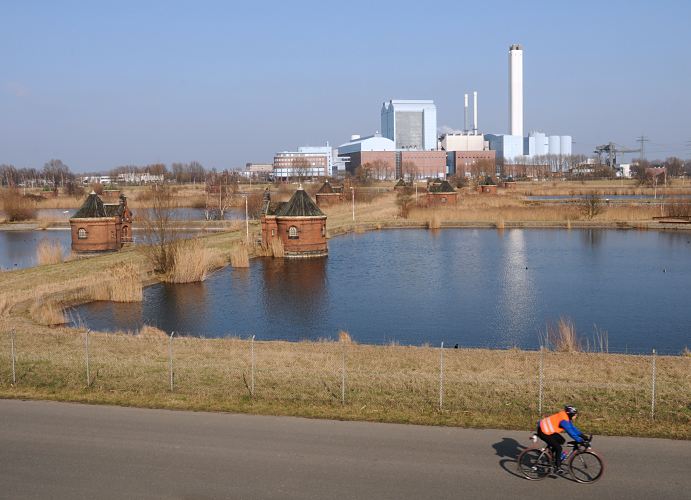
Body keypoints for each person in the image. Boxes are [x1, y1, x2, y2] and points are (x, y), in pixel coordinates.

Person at [536, 405, 586, 472]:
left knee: (562, 440)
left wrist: (583, 436)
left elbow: (573, 428)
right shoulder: (564, 420)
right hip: (543, 431)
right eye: (575, 414)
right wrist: (580, 440)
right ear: (570, 414)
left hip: (546, 430)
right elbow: (570, 432)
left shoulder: (566, 417)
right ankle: (557, 467)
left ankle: (550, 455)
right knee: (559, 448)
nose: (576, 416)